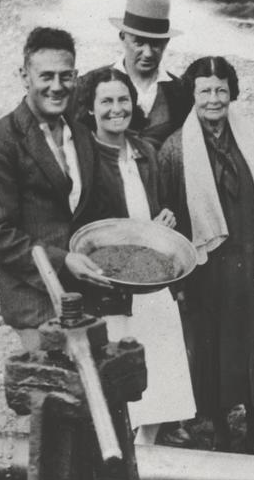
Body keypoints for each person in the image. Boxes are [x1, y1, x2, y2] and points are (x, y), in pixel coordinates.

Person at [158, 56, 254, 452]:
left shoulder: (252, 136)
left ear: (231, 92)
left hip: (251, 259)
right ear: (192, 95)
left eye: (220, 90)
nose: (213, 99)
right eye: (204, 91)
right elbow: (169, 216)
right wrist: (178, 281)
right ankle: (218, 430)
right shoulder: (174, 150)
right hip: (206, 268)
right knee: (210, 348)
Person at [0, 26, 112, 353]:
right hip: (36, 304)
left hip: (84, 299)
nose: (57, 87)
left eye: (66, 76)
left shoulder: (82, 136)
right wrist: (64, 261)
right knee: (50, 394)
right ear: (24, 75)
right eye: (46, 76)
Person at [79, 67, 197, 447]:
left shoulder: (144, 151)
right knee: (118, 359)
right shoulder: (85, 157)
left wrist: (163, 219)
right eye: (107, 101)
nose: (117, 109)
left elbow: (155, 207)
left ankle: (146, 445)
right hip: (111, 278)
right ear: (91, 108)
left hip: (149, 276)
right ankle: (116, 444)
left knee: (160, 356)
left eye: (123, 99)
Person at [73, 0, 192, 152]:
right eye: (139, 43)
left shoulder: (181, 92)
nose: (148, 53)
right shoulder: (90, 83)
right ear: (123, 37)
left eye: (156, 44)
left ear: (166, 42)